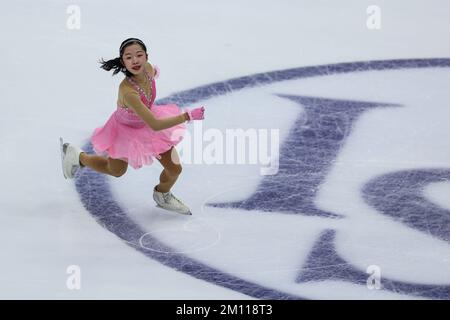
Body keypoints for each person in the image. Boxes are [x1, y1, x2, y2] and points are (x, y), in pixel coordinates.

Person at [60, 38, 205, 215]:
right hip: (126, 131)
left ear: (146, 57)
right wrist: (186, 116)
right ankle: (79, 157)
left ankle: (162, 194)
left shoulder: (149, 70)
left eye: (139, 55)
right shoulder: (128, 92)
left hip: (149, 126)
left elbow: (151, 118)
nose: (135, 61)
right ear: (123, 62)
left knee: (174, 169)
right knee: (116, 170)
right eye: (129, 57)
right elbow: (154, 124)